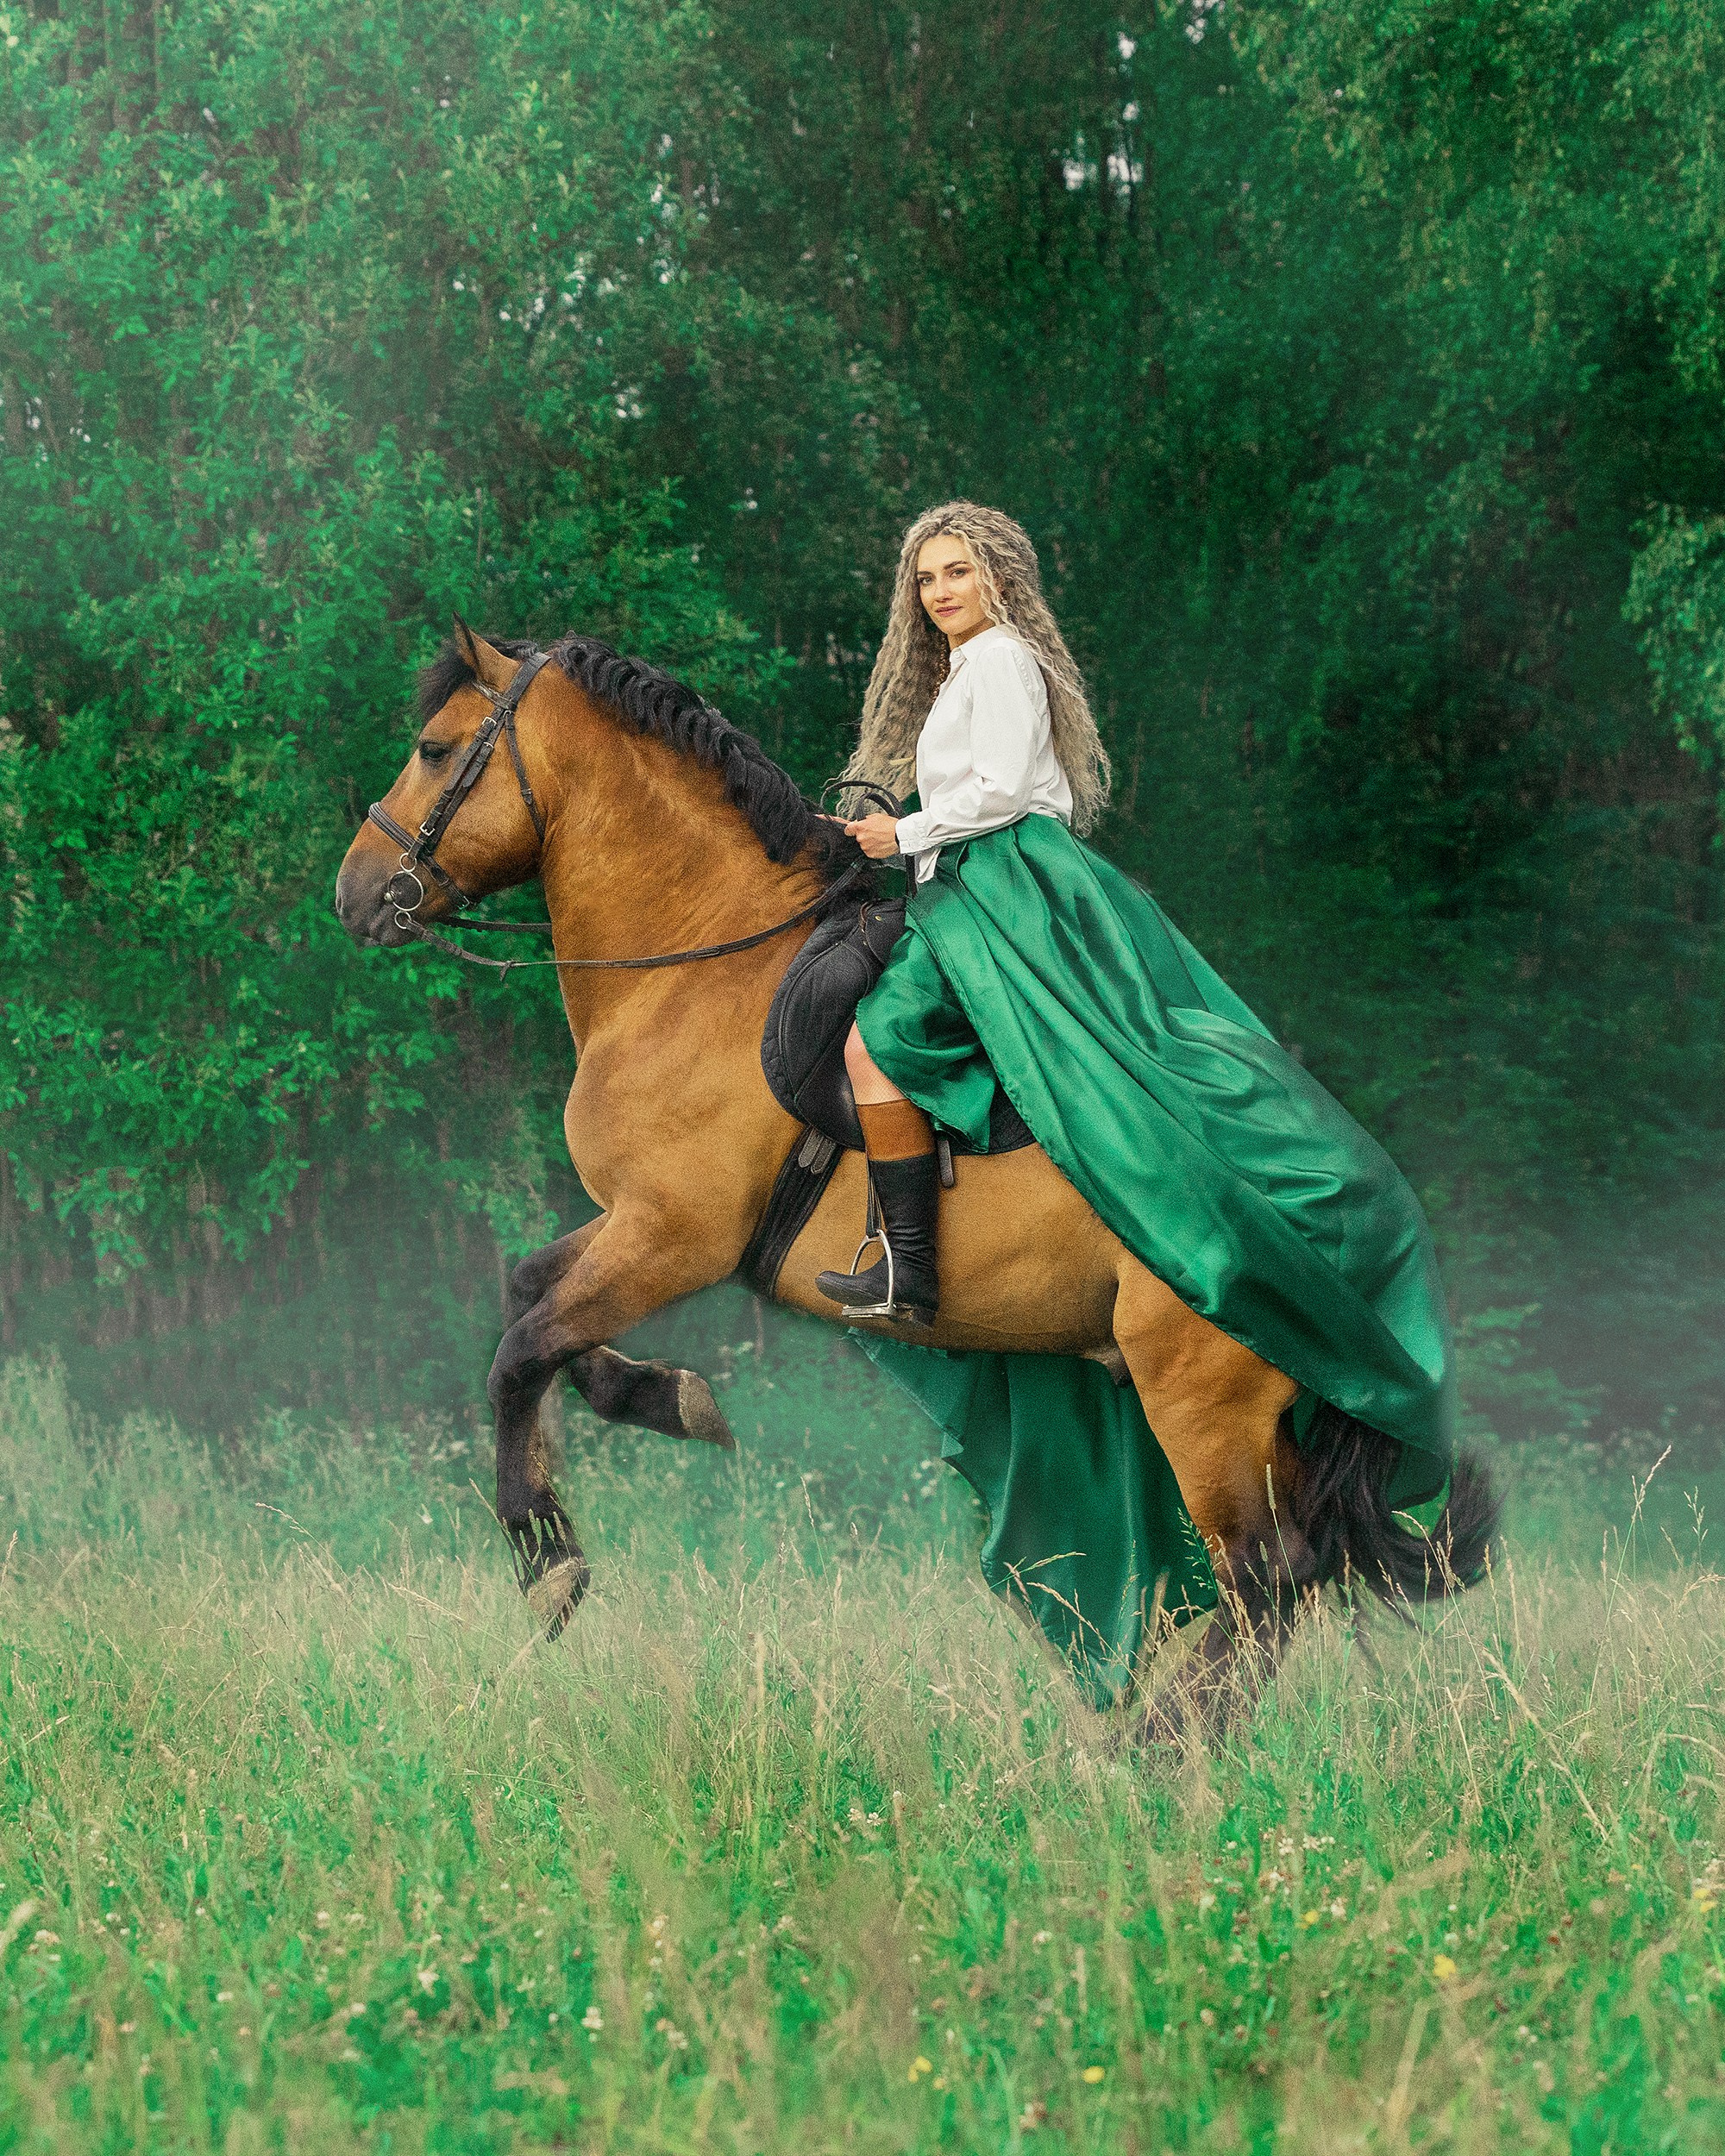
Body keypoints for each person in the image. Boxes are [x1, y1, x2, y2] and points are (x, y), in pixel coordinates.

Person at [814, 503, 1102, 1322]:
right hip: (972, 871)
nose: (939, 591)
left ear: (998, 574)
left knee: (876, 1044)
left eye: (957, 571)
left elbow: (1005, 791)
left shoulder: (1002, 659)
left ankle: (911, 1272)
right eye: (925, 578)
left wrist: (902, 831)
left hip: (1003, 876)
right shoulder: (968, 667)